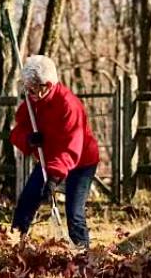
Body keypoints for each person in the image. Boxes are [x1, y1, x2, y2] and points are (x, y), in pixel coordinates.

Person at [9, 55, 100, 248]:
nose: (28, 93)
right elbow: (17, 130)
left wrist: (53, 178)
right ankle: (14, 241)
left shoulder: (69, 106)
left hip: (81, 161)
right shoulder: (31, 102)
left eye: (32, 90)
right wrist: (28, 138)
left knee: (74, 211)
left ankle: (83, 253)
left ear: (47, 86)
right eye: (27, 88)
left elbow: (70, 149)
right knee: (27, 199)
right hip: (47, 158)